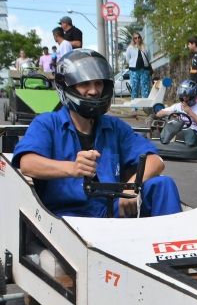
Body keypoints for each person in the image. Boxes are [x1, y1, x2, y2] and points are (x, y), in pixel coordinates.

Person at [12, 49, 182, 219]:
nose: (94, 91)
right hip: (67, 218)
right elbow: (27, 163)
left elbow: (155, 161)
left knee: (163, 184)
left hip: (110, 208)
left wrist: (130, 187)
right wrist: (72, 168)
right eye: (85, 84)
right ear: (67, 87)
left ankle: (175, 241)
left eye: (98, 84)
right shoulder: (47, 123)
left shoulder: (114, 126)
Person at [155, 80, 197, 147]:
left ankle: (185, 146)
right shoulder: (177, 106)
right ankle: (164, 142)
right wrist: (171, 112)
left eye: (187, 96)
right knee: (169, 126)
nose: (184, 99)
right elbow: (158, 114)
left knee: (188, 132)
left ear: (193, 96)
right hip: (177, 131)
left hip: (193, 133)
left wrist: (190, 112)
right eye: (183, 96)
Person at [124, 32, 152, 100]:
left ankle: (145, 106)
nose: (137, 39)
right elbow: (127, 59)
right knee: (134, 87)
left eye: (139, 37)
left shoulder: (145, 47)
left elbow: (149, 57)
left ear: (140, 38)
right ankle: (134, 106)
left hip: (144, 70)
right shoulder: (130, 48)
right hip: (134, 71)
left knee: (145, 87)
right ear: (133, 39)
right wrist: (132, 63)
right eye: (135, 38)